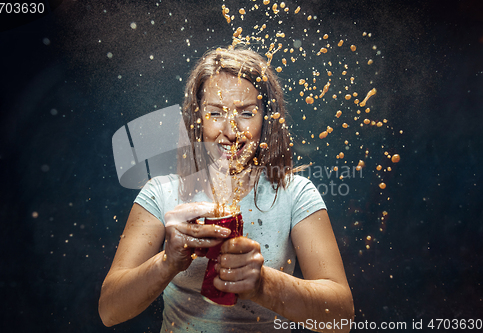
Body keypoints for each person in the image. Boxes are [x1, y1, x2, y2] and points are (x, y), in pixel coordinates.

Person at [99, 47, 354, 333]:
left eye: (247, 112)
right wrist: (167, 261)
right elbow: (110, 310)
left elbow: (341, 318)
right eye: (215, 113)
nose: (231, 131)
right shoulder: (160, 194)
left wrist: (263, 285)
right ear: (196, 119)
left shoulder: (296, 195)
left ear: (267, 119)